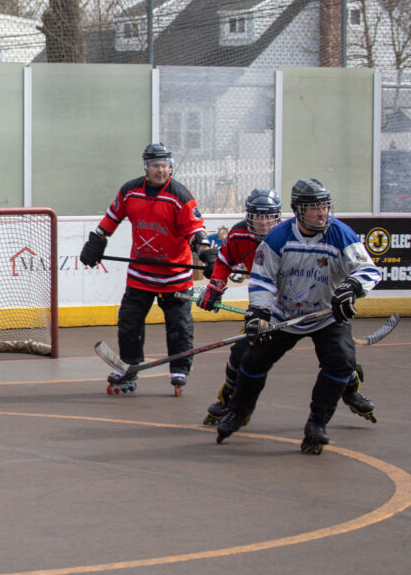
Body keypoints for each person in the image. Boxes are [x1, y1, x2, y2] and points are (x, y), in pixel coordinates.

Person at [216, 179, 382, 454]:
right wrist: (259, 312)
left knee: (341, 363)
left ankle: (317, 423)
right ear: (298, 210)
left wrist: (352, 287)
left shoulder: (341, 234)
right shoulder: (278, 237)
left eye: (325, 206)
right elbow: (263, 279)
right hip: (285, 315)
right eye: (315, 208)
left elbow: (368, 270)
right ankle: (239, 411)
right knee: (252, 359)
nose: (322, 213)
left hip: (327, 316)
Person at [80, 143, 215, 395]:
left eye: (164, 165)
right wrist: (97, 240)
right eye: (155, 165)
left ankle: (179, 369)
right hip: (140, 274)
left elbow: (196, 230)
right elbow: (112, 217)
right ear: (146, 167)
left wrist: (206, 253)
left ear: (170, 167)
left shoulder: (180, 196)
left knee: (179, 325)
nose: (160, 170)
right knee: (129, 322)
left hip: (175, 278)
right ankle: (129, 366)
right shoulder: (130, 191)